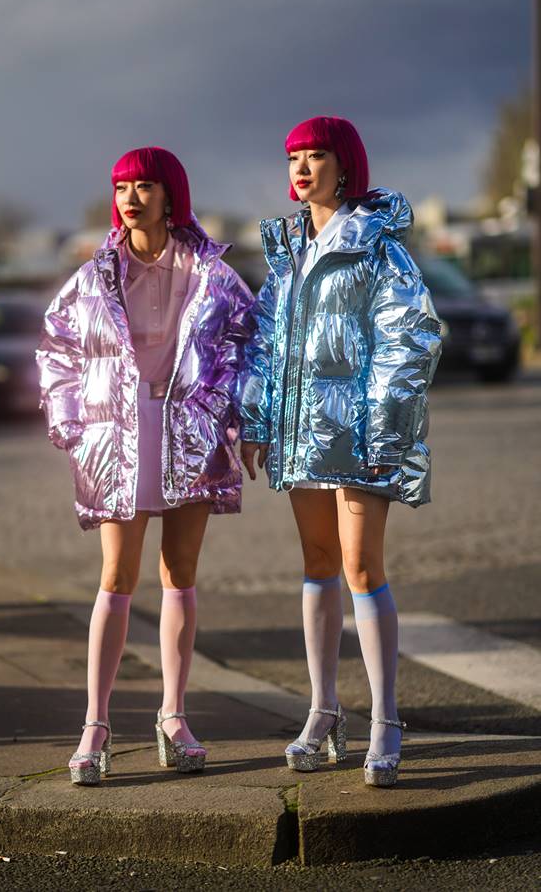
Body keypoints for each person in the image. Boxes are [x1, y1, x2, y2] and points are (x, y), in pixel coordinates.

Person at [37, 146, 254, 785]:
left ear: (169, 195)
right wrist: (71, 426)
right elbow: (57, 347)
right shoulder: (94, 275)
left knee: (180, 575)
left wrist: (228, 412)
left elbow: (246, 344)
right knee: (116, 576)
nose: (131, 197)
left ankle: (173, 717)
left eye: (144, 185)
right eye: (122, 186)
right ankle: (96, 726)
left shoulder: (211, 273)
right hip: (116, 439)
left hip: (189, 432)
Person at [240, 116, 442, 787]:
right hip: (304, 436)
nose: (301, 168)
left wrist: (386, 432)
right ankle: (323, 713)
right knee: (319, 563)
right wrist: (257, 418)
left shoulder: (378, 244)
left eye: (315, 155)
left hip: (359, 435)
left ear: (344, 163)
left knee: (362, 565)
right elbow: (267, 340)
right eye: (293, 156)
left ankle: (386, 720)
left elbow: (409, 337)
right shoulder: (288, 250)